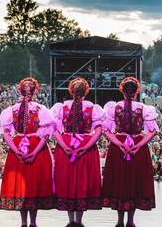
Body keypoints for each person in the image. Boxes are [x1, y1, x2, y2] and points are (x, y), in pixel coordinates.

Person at [102, 77, 158, 227]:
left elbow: (106, 131)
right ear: (137, 91)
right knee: (134, 181)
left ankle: (119, 220)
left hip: (118, 147)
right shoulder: (143, 108)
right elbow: (152, 131)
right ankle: (131, 221)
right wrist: (138, 145)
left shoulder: (114, 107)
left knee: (119, 180)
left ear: (122, 90)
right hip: (137, 146)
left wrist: (120, 144)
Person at [0, 77, 56, 227]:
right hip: (32, 146)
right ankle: (31, 222)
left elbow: (6, 134)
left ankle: (26, 222)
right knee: (29, 185)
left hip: (23, 146)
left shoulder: (15, 110)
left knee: (28, 185)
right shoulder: (38, 109)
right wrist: (31, 151)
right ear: (35, 91)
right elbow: (45, 135)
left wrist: (17, 150)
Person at [51, 78, 104, 227]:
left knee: (67, 181)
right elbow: (99, 130)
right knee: (82, 182)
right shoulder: (92, 107)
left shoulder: (62, 107)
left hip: (66, 143)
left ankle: (71, 220)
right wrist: (87, 146)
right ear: (86, 91)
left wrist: (64, 145)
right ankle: (79, 221)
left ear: (70, 91)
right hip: (85, 145)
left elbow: (54, 129)